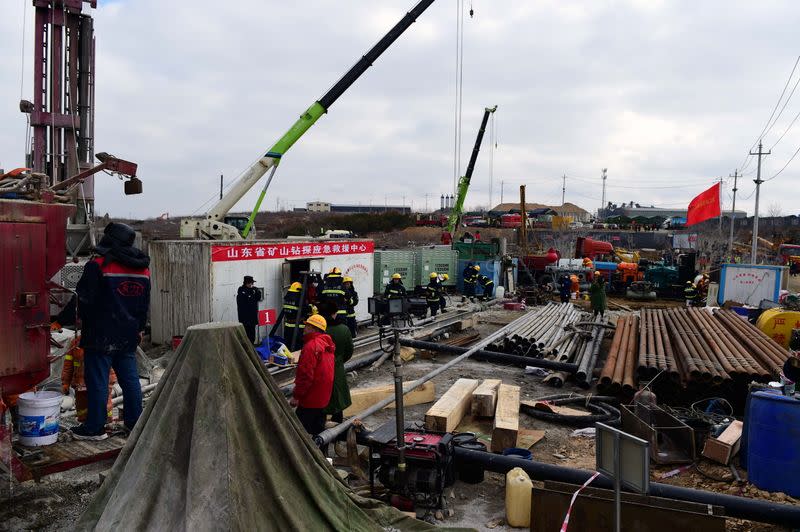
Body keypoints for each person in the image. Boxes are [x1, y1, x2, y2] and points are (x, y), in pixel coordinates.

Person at [70, 222, 150, 441]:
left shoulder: (98, 266)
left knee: (97, 381)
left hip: (100, 335)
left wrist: (74, 321)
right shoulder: (143, 269)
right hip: (128, 334)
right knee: (130, 380)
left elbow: (84, 301)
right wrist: (140, 328)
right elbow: (144, 304)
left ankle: (95, 428)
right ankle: (135, 425)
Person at [290, 314, 335, 437]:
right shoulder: (327, 345)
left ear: (314, 328)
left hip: (310, 399)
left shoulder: (310, 347)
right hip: (323, 397)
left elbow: (305, 376)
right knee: (319, 433)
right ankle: (321, 454)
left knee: (298, 434)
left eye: (307, 326)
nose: (304, 328)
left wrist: (296, 396)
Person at [319, 302, 353, 424]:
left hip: (319, 371)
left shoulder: (318, 331)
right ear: (334, 313)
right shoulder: (344, 329)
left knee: (320, 403)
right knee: (338, 401)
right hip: (337, 369)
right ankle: (337, 431)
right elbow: (349, 352)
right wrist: (338, 361)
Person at [282, 282, 306, 351]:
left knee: (288, 344)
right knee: (297, 346)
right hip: (297, 326)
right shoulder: (299, 298)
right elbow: (304, 309)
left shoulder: (287, 297)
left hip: (287, 325)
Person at [237, 275, 260, 344]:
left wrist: (257, 291)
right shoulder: (241, 290)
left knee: (252, 335)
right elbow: (245, 300)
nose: (252, 285)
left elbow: (258, 297)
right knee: (245, 335)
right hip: (245, 318)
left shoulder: (253, 290)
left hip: (252, 317)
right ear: (247, 283)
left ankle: (252, 347)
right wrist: (250, 293)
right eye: (251, 283)